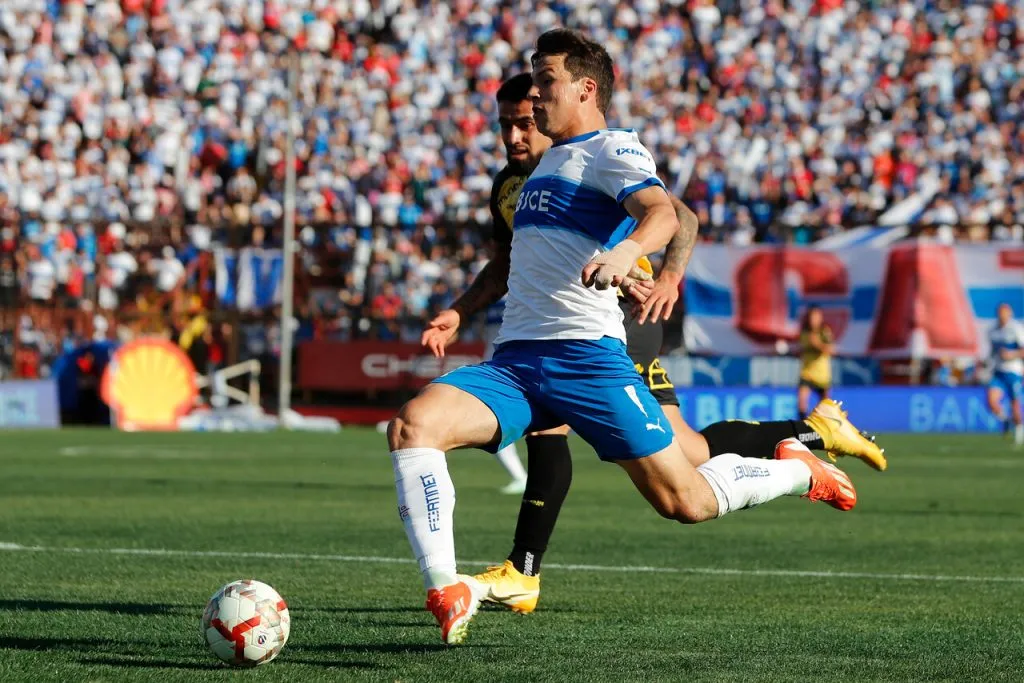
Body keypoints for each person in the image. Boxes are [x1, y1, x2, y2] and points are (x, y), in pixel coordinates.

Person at [387, 29, 859, 646]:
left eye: (547, 81)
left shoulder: (613, 148)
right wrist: (458, 310)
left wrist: (628, 254)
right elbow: (520, 260)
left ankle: (797, 471)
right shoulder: (538, 167)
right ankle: (445, 588)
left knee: (685, 501)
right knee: (413, 426)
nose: (536, 96)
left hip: (587, 360)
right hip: (516, 364)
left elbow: (663, 213)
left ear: (586, 90)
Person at [986, 302, 1024, 446]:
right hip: (998, 371)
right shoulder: (993, 330)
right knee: (991, 401)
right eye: (1000, 313)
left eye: (1005, 313)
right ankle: (1006, 421)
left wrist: (1011, 354)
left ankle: (1019, 435)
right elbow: (992, 351)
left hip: (1013, 372)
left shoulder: (1016, 329)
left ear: (1010, 314)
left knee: (1015, 404)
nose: (1002, 316)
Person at [797, 306, 834, 419]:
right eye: (812, 317)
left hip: (822, 375)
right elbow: (802, 350)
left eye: (816, 317)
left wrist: (817, 344)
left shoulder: (824, 332)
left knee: (825, 406)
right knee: (802, 402)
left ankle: (824, 425)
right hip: (807, 373)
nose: (813, 320)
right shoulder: (804, 332)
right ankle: (802, 425)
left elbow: (830, 350)